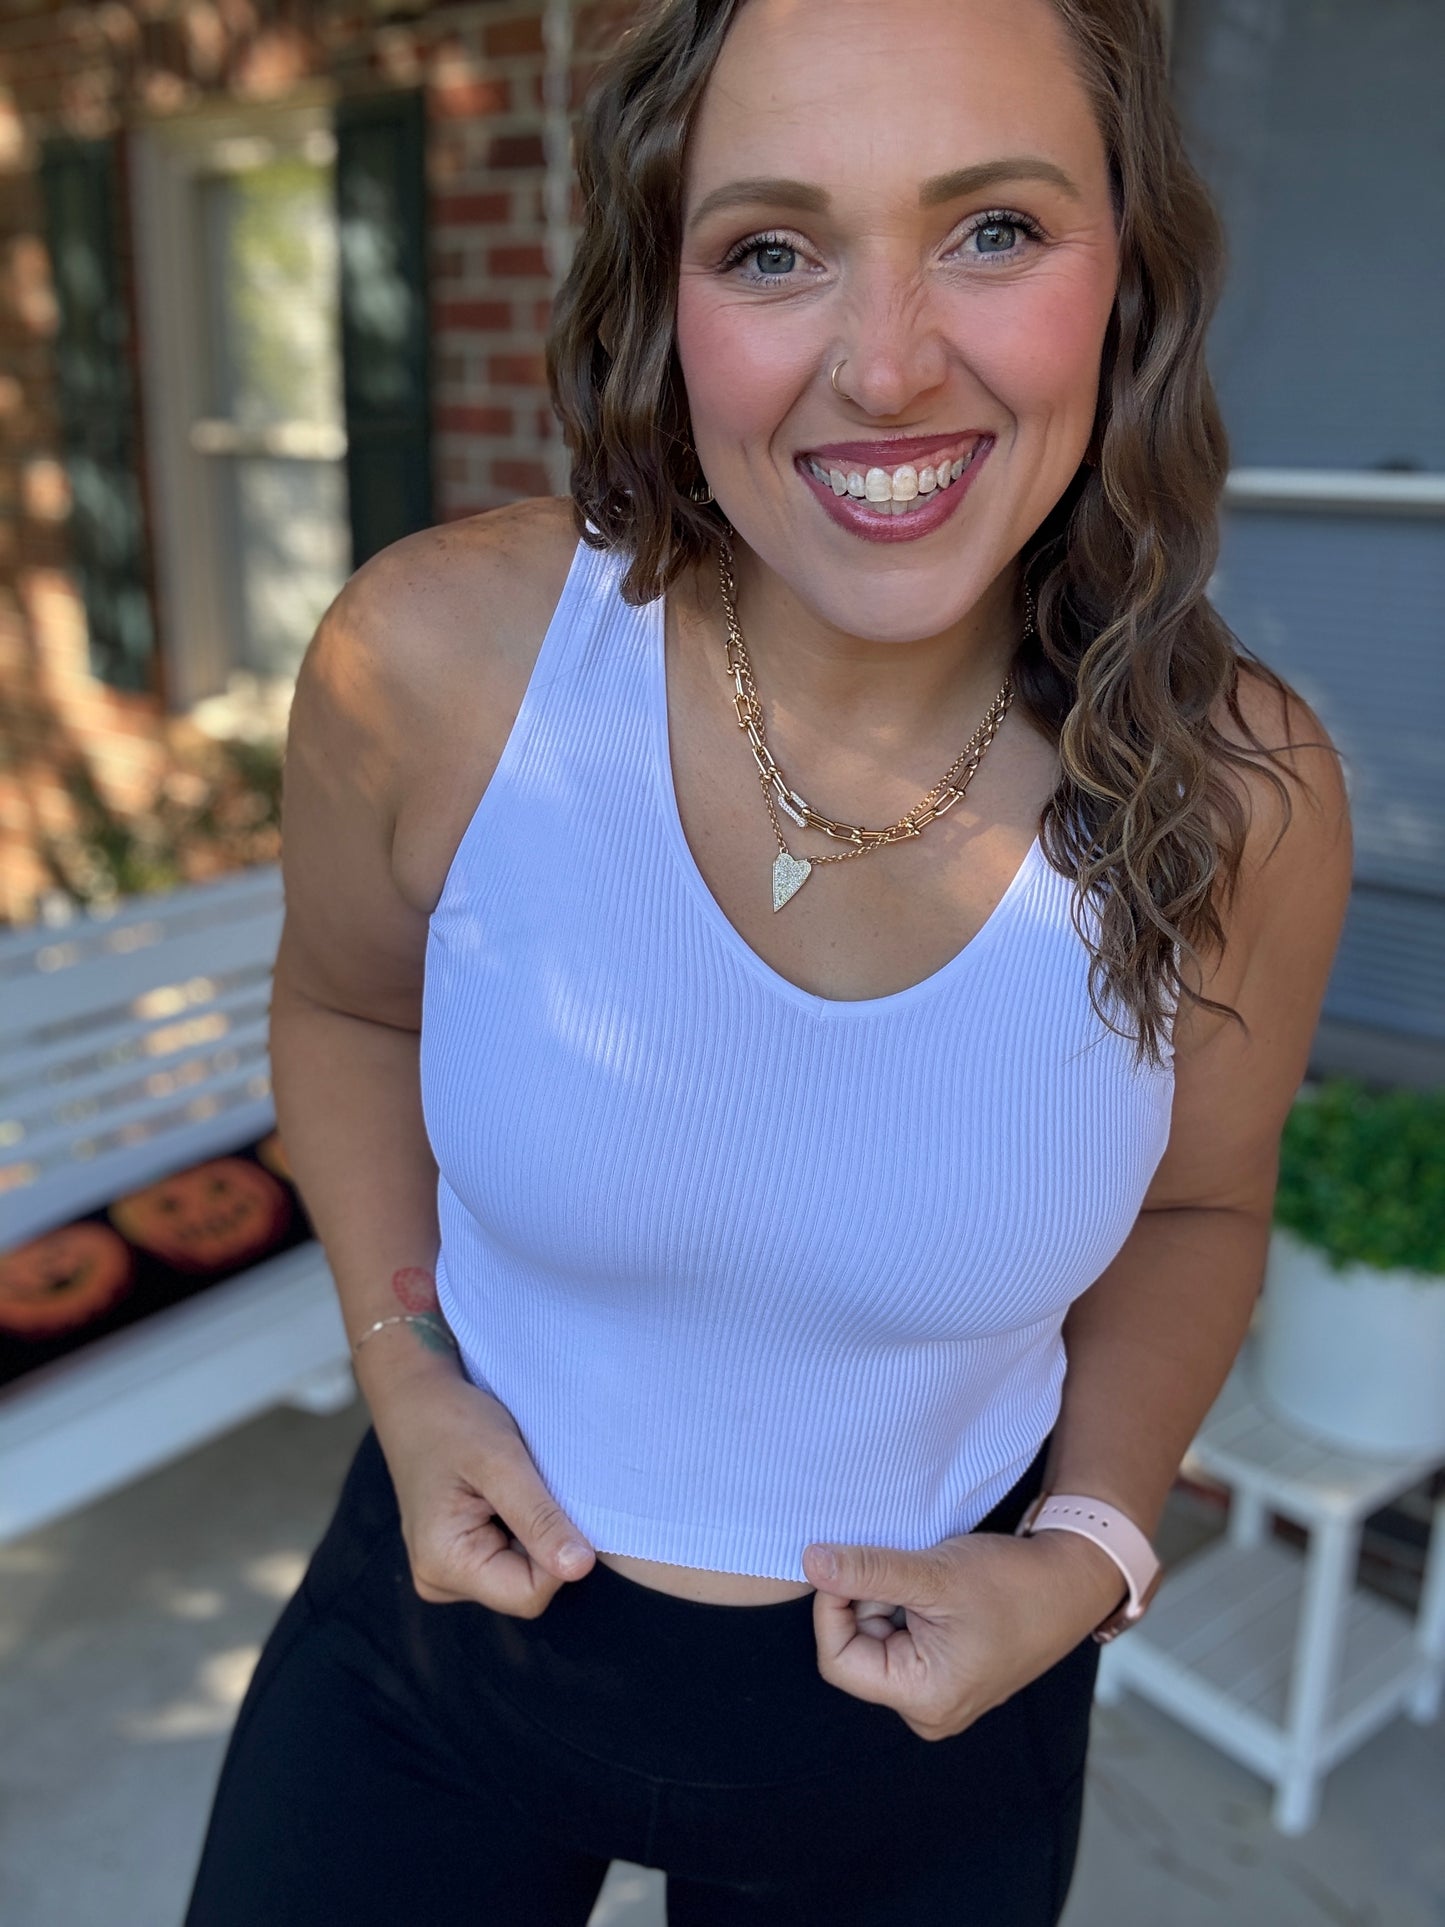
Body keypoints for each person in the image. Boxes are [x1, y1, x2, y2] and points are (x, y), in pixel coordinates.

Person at [184, 0, 1352, 1920]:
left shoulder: (1240, 794)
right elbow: (342, 1006)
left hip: (924, 1743)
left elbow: (1204, 1206)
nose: (886, 366)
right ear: (664, 295)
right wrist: (403, 1376)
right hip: (434, 1648)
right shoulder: (443, 662)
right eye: (771, 249)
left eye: (993, 228)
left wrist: (1083, 1554)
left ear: (1125, 270)